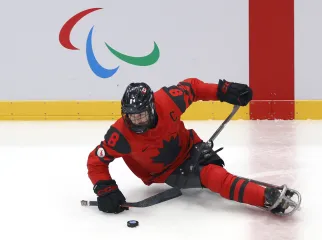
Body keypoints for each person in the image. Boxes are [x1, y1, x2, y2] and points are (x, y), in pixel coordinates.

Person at [87, 78, 292, 215]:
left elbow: (192, 88)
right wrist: (105, 188)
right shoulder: (120, 134)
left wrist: (224, 90)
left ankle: (241, 187)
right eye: (131, 115)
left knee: (216, 170)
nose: (136, 120)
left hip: (192, 147)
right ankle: (265, 198)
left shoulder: (167, 100)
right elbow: (96, 160)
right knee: (213, 176)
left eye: (141, 114)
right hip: (167, 171)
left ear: (152, 106)